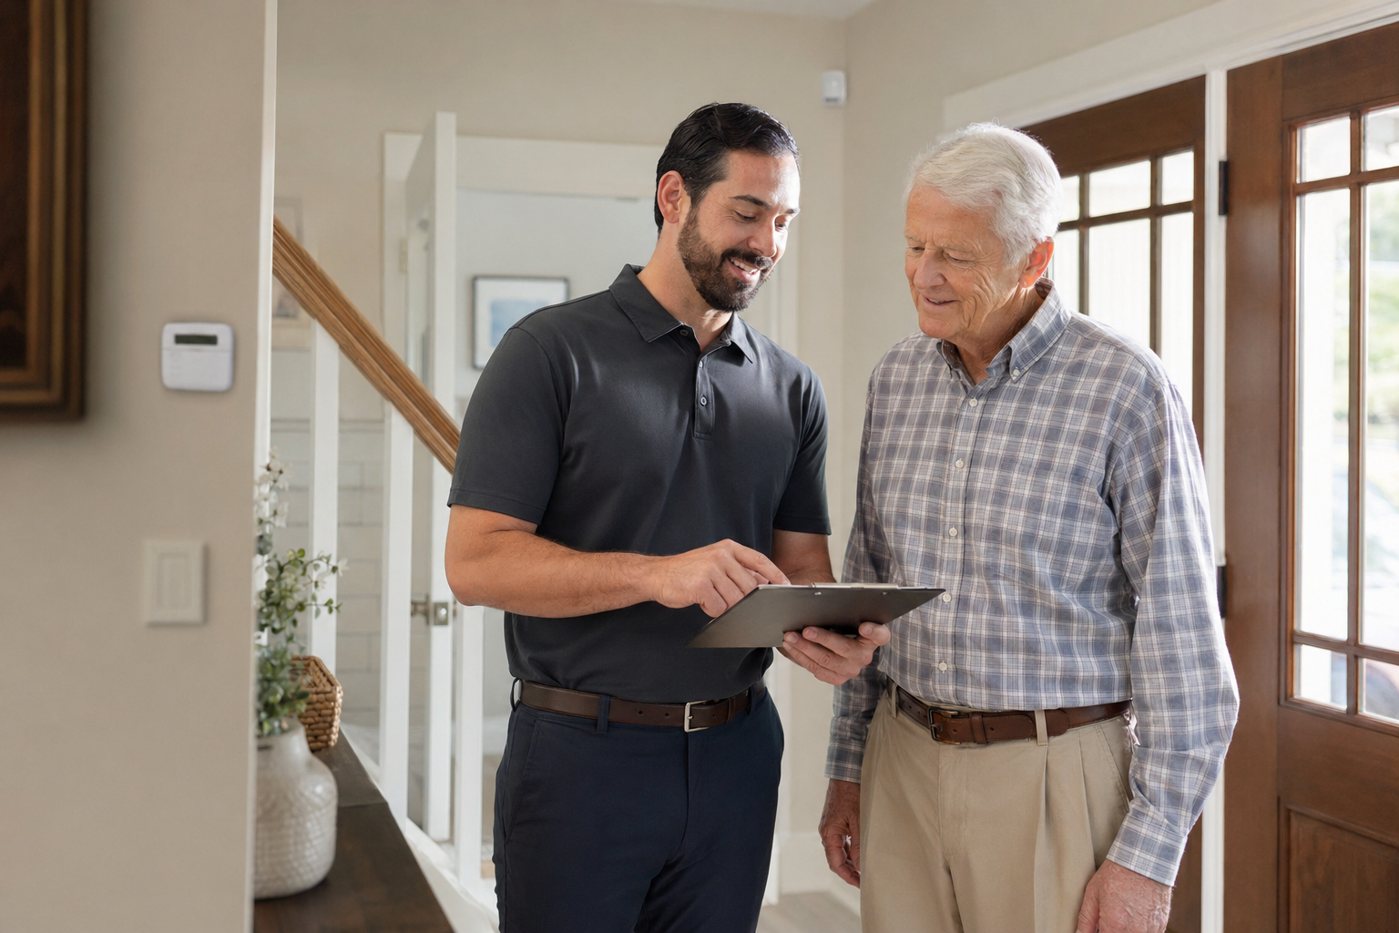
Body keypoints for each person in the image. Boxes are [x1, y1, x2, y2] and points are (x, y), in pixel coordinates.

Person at [444, 102, 890, 933]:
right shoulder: (548, 353)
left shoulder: (792, 388)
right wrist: (661, 574)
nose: (766, 244)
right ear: (674, 196)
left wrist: (828, 631)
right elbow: (476, 564)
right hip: (579, 758)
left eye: (783, 220)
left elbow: (800, 567)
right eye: (747, 212)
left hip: (738, 754)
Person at [818, 123, 1239, 933]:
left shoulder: (1125, 388)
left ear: (1034, 259)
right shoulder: (896, 379)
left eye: (956, 256)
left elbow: (1185, 652)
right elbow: (865, 587)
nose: (924, 276)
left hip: (1056, 774)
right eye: (914, 245)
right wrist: (848, 769)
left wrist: (1146, 859)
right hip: (901, 756)